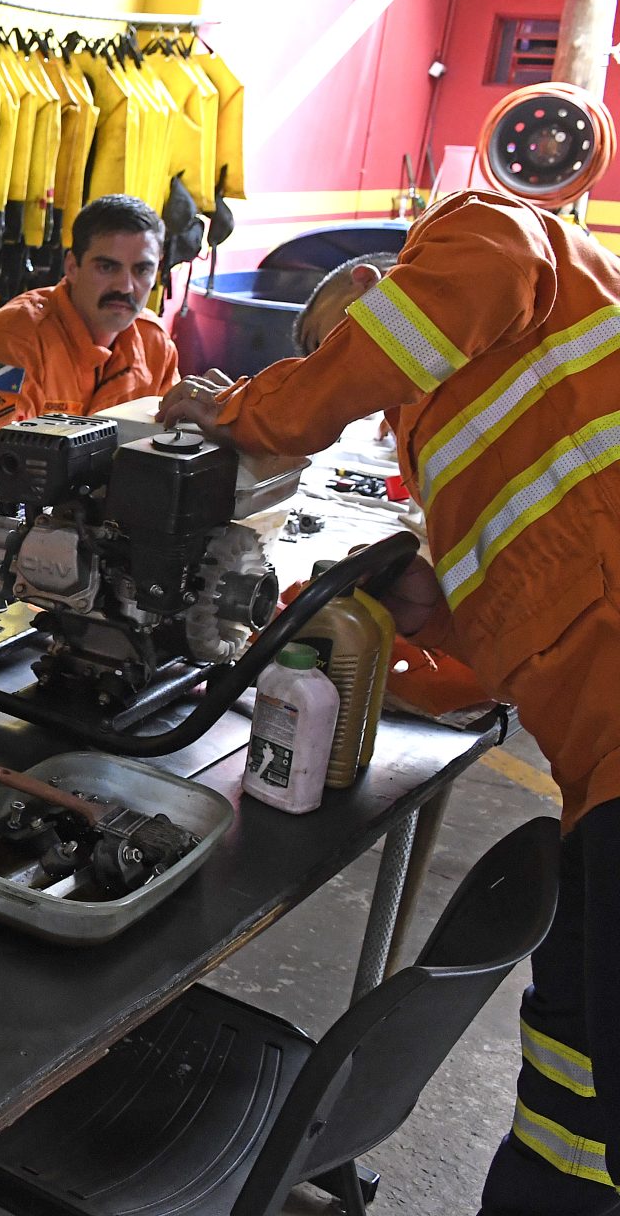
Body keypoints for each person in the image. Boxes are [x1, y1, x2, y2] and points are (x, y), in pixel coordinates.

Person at [160, 188, 620, 1214]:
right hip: (599, 773)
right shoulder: (463, 434)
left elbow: (392, 342)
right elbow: (548, 604)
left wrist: (250, 413)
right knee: (574, 1076)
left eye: (344, 357)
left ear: (373, 291)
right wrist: (443, 614)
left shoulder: (482, 234)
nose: (363, 398)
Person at [0, 194, 180, 468]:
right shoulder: (13, 341)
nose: (126, 287)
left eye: (142, 269)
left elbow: (171, 453)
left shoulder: (155, 345)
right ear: (72, 266)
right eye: (107, 267)